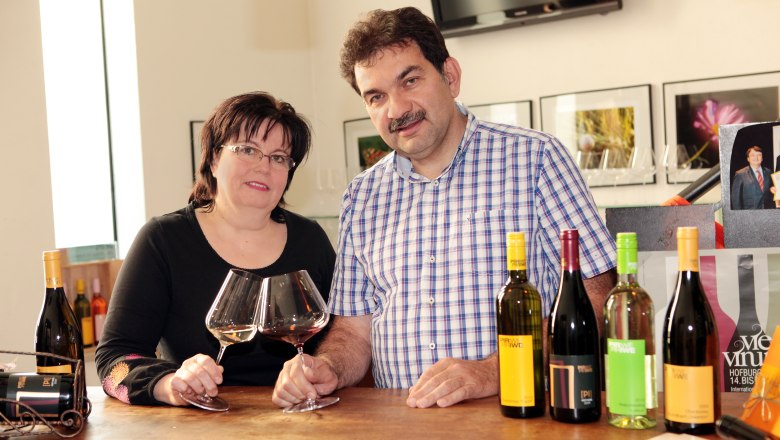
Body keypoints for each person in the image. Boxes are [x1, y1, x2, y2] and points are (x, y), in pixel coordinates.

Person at [272, 7, 616, 410]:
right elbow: (354, 331)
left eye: (410, 80)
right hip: (401, 426)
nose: (396, 110)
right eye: (376, 97)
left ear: (450, 77)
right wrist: (326, 367)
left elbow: (597, 300)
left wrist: (492, 371)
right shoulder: (361, 197)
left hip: (518, 415)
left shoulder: (536, 159)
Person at [96, 91, 336, 406]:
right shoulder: (163, 240)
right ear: (213, 159)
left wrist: (326, 367)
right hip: (197, 425)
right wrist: (169, 384)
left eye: (279, 157)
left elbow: (344, 336)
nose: (264, 166)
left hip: (303, 422)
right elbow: (113, 361)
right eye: (248, 150)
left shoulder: (311, 240)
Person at [731, 145, 774, 210]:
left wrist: (772, 189)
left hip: (767, 213)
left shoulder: (769, 172)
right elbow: (736, 199)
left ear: (762, 158)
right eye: (753, 155)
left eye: (759, 155)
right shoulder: (740, 174)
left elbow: (770, 190)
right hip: (750, 215)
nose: (756, 157)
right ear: (748, 159)